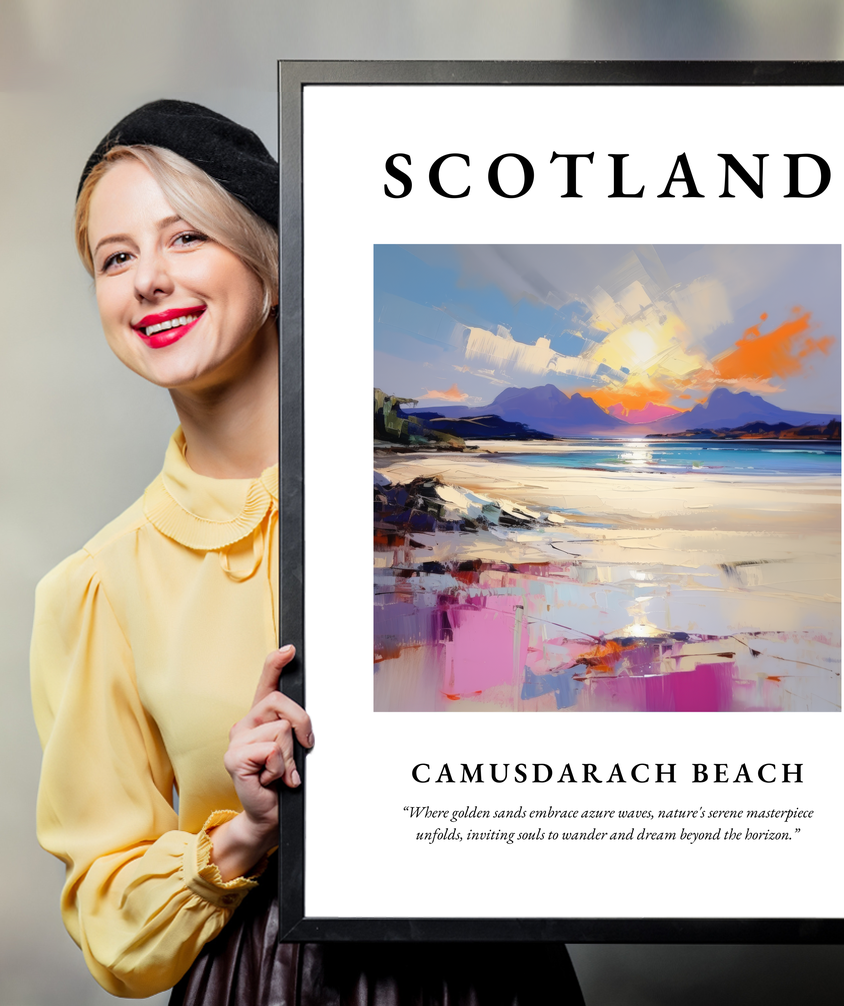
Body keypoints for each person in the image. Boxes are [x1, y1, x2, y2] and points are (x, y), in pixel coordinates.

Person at [30, 100, 585, 1004]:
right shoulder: (97, 587)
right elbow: (110, 923)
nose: (148, 281)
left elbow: (609, 712)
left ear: (273, 264)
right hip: (263, 981)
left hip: (492, 973)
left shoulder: (442, 510)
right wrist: (245, 832)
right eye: (116, 257)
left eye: (185, 238)